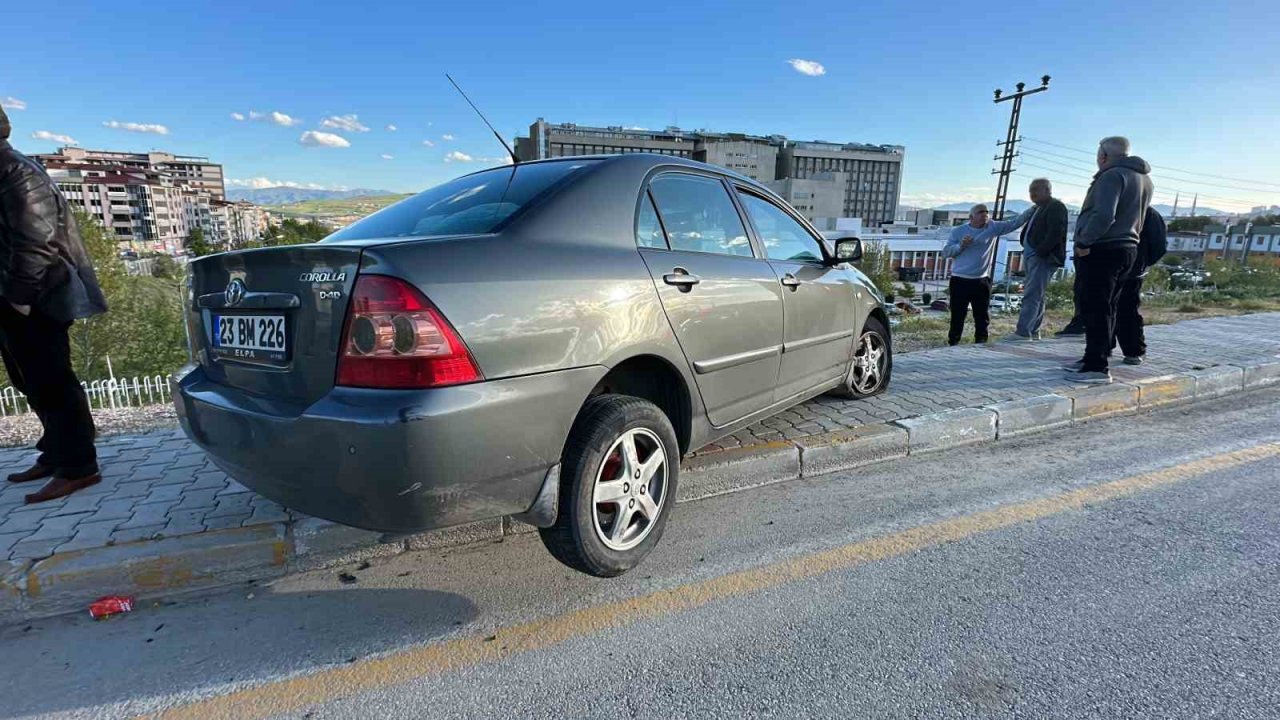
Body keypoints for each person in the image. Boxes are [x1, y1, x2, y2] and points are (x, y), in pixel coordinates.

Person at [0, 106, 109, 503]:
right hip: (19, 296)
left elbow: (35, 242)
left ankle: (79, 467)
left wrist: (17, 299)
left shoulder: (16, 172)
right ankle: (54, 453)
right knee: (29, 381)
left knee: (53, 383)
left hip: (38, 297)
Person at [1063, 136, 1153, 384]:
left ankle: (1096, 367)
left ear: (1103, 155)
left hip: (1103, 249)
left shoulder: (1112, 176)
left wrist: (1084, 242)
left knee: (1095, 308)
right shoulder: (1143, 179)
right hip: (1127, 249)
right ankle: (1093, 356)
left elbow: (1104, 216)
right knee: (1109, 307)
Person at [941, 203, 1033, 346]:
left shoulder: (992, 227)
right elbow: (946, 252)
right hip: (960, 280)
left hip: (981, 280)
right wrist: (961, 246)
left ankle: (981, 343)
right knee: (958, 316)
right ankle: (953, 344)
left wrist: (1033, 209)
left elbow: (1015, 223)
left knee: (982, 316)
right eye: (980, 212)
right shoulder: (958, 231)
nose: (985, 214)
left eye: (986, 212)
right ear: (971, 217)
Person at [1003, 178, 1068, 341]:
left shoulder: (1055, 207)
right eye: (1030, 191)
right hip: (1033, 256)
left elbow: (1055, 233)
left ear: (1047, 190)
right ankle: (1033, 330)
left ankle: (1023, 332)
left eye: (1035, 190)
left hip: (1042, 258)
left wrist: (1040, 252)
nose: (1032, 194)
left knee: (1032, 294)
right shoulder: (1038, 208)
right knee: (1038, 295)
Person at [1112, 206, 1167, 365]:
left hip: (1132, 271)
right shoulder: (1115, 208)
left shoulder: (1148, 214)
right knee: (1105, 309)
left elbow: (1159, 246)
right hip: (1110, 269)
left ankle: (1134, 350)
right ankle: (1104, 347)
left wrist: (1141, 263)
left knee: (1127, 309)